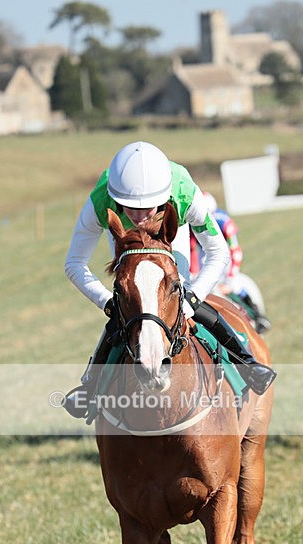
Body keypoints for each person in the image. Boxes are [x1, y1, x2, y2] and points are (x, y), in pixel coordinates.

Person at [63, 141, 276, 417]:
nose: (140, 217)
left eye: (149, 208)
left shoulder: (185, 193)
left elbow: (218, 252)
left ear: (163, 197)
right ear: (116, 198)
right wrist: (107, 302)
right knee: (126, 312)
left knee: (178, 297)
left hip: (171, 235)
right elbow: (74, 263)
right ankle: (90, 386)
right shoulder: (100, 200)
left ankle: (246, 362)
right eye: (130, 208)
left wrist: (193, 295)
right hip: (127, 245)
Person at [190, 191, 271, 334]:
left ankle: (258, 317)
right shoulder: (192, 222)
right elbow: (192, 251)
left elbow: (235, 250)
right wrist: (194, 273)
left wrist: (231, 277)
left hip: (225, 261)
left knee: (235, 286)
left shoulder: (223, 221)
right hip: (206, 261)